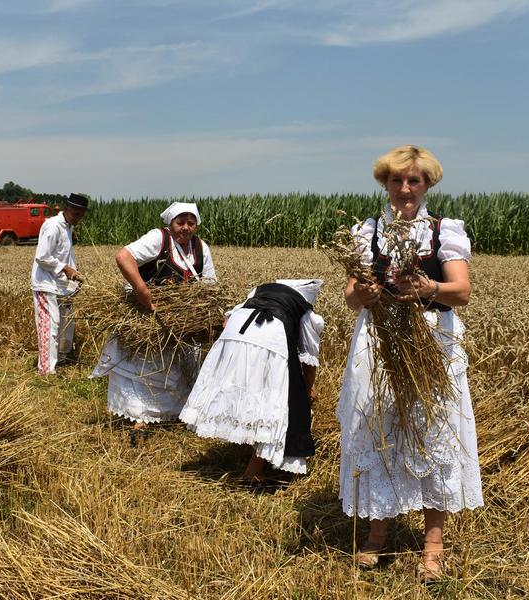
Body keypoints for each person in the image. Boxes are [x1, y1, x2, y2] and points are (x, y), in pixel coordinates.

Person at [337, 145, 483, 579]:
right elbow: (350, 295)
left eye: (414, 181)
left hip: (430, 343)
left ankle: (432, 546)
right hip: (377, 341)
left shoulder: (444, 230)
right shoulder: (368, 231)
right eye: (397, 180)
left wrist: (427, 288)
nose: (405, 188)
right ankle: (378, 535)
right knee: (380, 428)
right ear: (385, 183)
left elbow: (462, 291)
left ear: (427, 185)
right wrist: (361, 295)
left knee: (432, 432)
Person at [91, 202, 217, 433]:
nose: (186, 228)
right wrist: (141, 290)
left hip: (180, 325)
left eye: (191, 223)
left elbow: (209, 284)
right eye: (180, 222)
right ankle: (139, 419)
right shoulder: (159, 239)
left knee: (174, 369)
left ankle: (170, 415)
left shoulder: (200, 248)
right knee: (143, 372)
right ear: (170, 223)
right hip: (149, 318)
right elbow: (123, 256)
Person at [180, 279, 324, 481]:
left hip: (235, 333)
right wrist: (306, 392)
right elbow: (309, 360)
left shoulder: (259, 292)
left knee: (242, 392)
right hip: (270, 339)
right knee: (274, 403)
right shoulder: (308, 314)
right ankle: (253, 472)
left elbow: (226, 321)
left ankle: (244, 447)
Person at [31, 193, 88, 375]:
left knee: (66, 324)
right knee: (51, 326)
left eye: (81, 214)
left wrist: (73, 276)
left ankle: (61, 358)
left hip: (61, 285)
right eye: (75, 213)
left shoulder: (68, 227)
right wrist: (66, 269)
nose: (78, 218)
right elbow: (42, 257)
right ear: (67, 208)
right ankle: (46, 372)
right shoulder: (53, 226)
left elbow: (63, 254)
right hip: (46, 284)